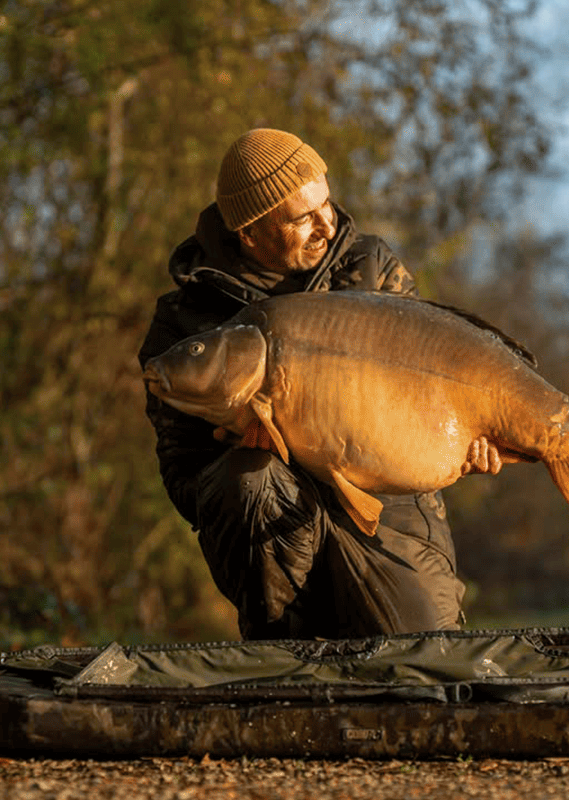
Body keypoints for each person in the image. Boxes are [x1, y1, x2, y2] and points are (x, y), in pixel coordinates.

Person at [138, 129, 466, 640]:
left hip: (387, 512)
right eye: (301, 217)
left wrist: (470, 442)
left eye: (325, 203)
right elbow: (181, 472)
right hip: (274, 521)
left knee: (423, 660)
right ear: (249, 233)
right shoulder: (185, 320)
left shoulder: (373, 271)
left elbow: (434, 390)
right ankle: (280, 639)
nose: (327, 223)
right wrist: (233, 452)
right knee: (247, 477)